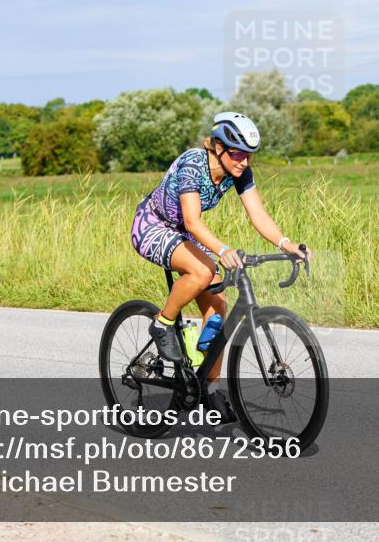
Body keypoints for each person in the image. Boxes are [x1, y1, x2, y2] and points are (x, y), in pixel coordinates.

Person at [130, 112, 310, 417]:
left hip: (185, 233)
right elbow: (191, 219)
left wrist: (285, 243)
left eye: (249, 156)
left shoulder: (240, 173)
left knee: (218, 304)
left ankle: (208, 389)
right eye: (237, 153)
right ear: (218, 147)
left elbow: (258, 215)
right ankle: (162, 323)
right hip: (153, 225)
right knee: (202, 271)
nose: (243, 161)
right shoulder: (193, 164)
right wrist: (222, 249)